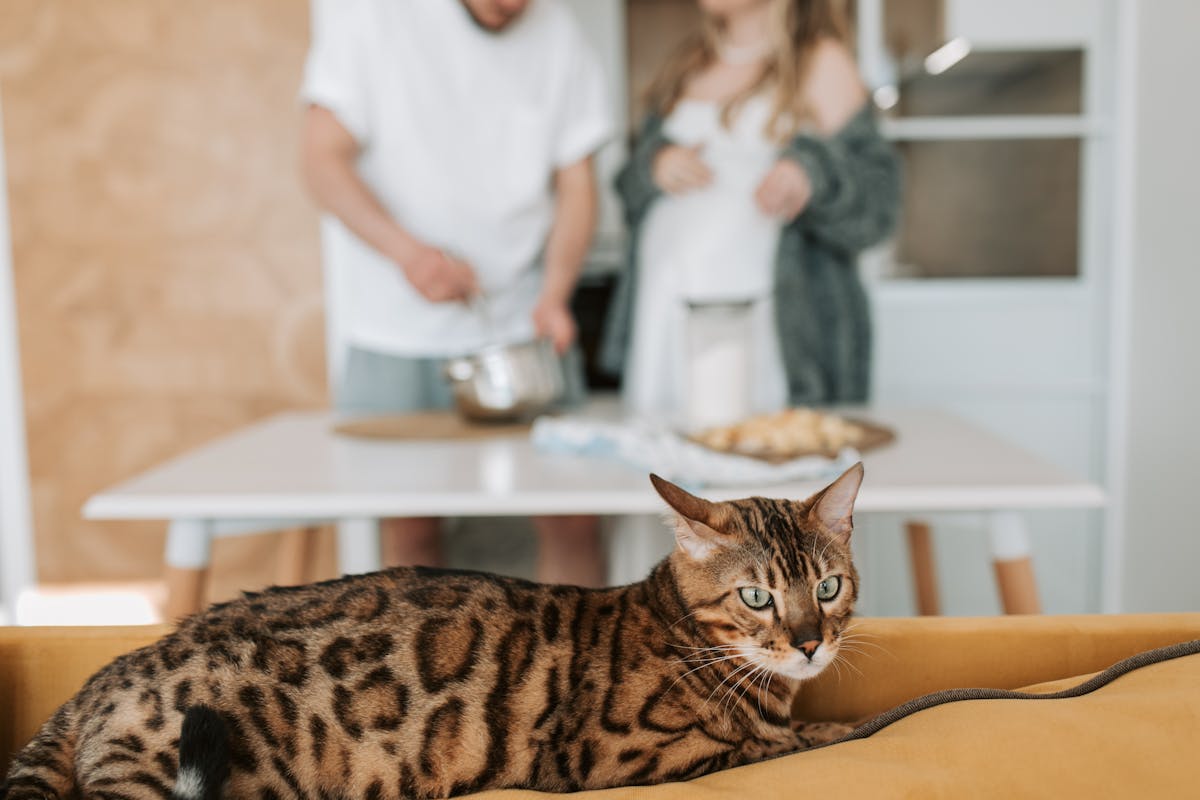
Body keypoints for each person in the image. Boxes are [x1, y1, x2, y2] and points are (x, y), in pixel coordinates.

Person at [299, 0, 612, 586]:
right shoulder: (375, 20)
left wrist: (556, 291)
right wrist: (408, 254)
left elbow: (576, 181)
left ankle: (582, 676)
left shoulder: (561, 36)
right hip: (395, 331)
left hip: (521, 329)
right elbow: (321, 160)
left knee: (574, 516)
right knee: (412, 531)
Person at [600, 0, 901, 416]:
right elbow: (626, 190)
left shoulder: (819, 60)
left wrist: (811, 175)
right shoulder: (686, 63)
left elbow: (879, 203)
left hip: (771, 330)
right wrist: (654, 165)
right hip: (666, 319)